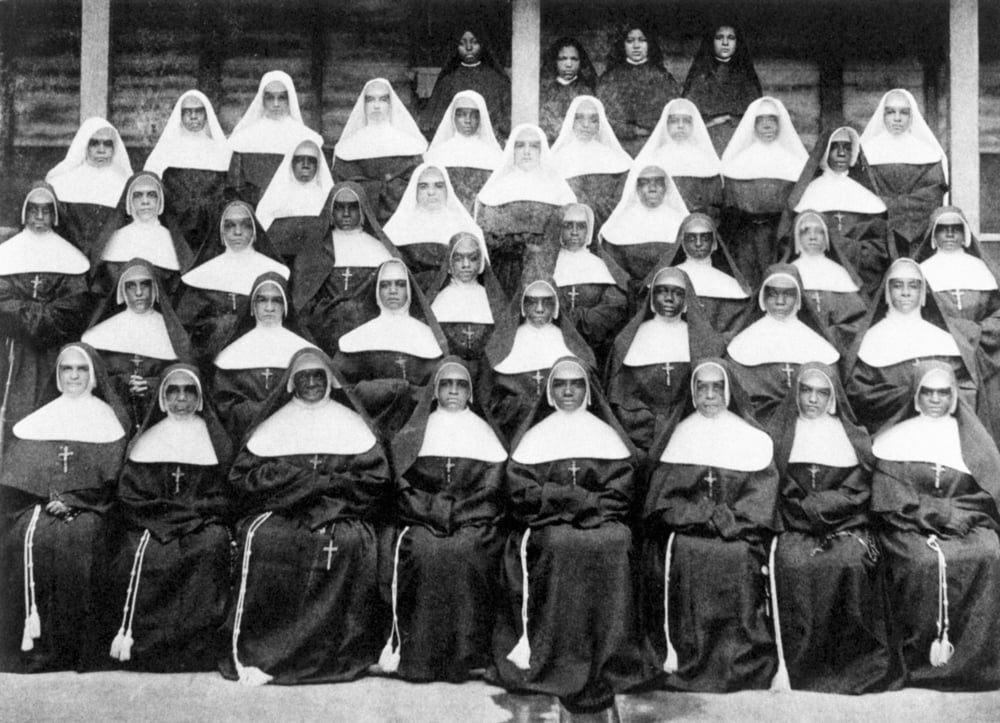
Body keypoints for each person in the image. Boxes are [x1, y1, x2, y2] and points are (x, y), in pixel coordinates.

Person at [491, 356, 655, 712]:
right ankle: (559, 658)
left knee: (618, 540)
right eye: (561, 384)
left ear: (587, 390)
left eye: (576, 384)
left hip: (596, 523)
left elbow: (622, 493)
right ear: (550, 391)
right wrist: (579, 504)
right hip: (551, 528)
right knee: (558, 543)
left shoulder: (607, 436)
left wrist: (569, 505)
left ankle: (611, 658)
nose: (568, 391)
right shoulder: (533, 438)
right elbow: (522, 494)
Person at [221, 347, 391, 685]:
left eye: (318, 376)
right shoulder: (272, 425)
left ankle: (335, 652)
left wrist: (317, 491)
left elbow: (375, 481)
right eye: (304, 377)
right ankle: (269, 649)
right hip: (282, 513)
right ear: (291, 383)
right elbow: (245, 479)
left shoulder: (353, 424)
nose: (311, 383)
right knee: (266, 540)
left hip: (340, 514)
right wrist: (310, 486)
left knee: (349, 542)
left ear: (329, 381)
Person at [642, 359, 781, 692]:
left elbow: (759, 499)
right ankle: (688, 656)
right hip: (687, 535)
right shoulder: (678, 436)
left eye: (716, 387)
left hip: (737, 534)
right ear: (692, 393)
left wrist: (728, 522)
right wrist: (703, 516)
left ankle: (737, 661)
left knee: (736, 557)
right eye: (701, 388)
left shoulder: (750, 438)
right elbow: (663, 503)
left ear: (728, 391)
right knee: (688, 555)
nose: (709, 395)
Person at [766, 363, 900, 693]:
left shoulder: (850, 436)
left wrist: (825, 506)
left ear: (833, 397)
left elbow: (860, 487)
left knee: (852, 561)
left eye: (821, 392)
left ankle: (852, 663)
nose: (813, 399)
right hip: (794, 522)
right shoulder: (779, 435)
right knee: (792, 563)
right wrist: (804, 509)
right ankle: (803, 664)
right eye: (806, 391)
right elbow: (773, 484)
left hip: (846, 522)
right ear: (796, 394)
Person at [871, 361, 1000, 689]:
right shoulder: (895, 438)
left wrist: (959, 516)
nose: (935, 399)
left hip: (963, 522)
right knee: (921, 562)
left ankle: (974, 662)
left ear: (954, 397)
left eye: (943, 393)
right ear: (916, 395)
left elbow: (984, 494)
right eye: (927, 391)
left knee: (989, 553)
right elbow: (889, 498)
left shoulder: (971, 441)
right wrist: (933, 515)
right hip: (910, 524)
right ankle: (919, 662)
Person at [0, 343, 128, 672]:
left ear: (94, 375)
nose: (74, 375)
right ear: (57, 376)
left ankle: (76, 649)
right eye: (67, 369)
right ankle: (33, 647)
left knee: (82, 540)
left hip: (94, 511)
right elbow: (16, 486)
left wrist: (75, 502)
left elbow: (117, 484)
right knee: (24, 540)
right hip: (41, 507)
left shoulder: (111, 419)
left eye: (81, 369)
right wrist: (46, 501)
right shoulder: (38, 420)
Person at [382, 358, 507, 681]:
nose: (453, 391)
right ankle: (421, 656)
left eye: (461, 385)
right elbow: (403, 487)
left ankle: (465, 655)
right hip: (422, 518)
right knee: (423, 551)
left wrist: (457, 515)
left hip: (472, 521)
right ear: (435, 391)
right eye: (446, 384)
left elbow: (492, 489)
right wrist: (435, 513)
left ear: (471, 393)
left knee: (467, 551)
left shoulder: (485, 434)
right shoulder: (414, 433)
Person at [107, 364, 232, 671]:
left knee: (212, 544)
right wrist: (171, 518)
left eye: (188, 391)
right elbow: (130, 495)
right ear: (162, 397)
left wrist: (193, 516)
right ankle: (148, 649)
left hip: (200, 523)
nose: (181, 399)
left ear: (200, 396)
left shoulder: (215, 441)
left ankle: (195, 650)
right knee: (137, 551)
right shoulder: (147, 439)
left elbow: (226, 496)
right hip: (153, 522)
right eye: (172, 391)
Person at [0, 183, 92, 446]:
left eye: (46, 211)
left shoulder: (71, 257)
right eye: (33, 211)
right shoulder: (6, 254)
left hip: (55, 351)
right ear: (23, 214)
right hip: (12, 351)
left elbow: (74, 304)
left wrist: (31, 315)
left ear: (55, 215)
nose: (39, 218)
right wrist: (41, 315)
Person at [607, 267, 726, 456]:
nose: (670, 299)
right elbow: (622, 397)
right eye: (663, 291)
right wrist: (651, 427)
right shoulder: (628, 341)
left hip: (690, 430)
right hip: (640, 433)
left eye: (678, 293)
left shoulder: (706, 342)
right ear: (651, 300)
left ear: (687, 302)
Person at [848, 258, 973, 435]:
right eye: (898, 286)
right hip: (890, 430)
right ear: (887, 291)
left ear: (922, 292)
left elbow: (967, 386)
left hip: (943, 428)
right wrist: (915, 396)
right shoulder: (871, 340)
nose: (905, 293)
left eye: (913, 286)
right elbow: (861, 395)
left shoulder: (944, 340)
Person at [333, 259, 447, 440]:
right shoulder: (358, 338)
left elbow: (438, 388)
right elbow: (342, 388)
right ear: (377, 291)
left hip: (415, 425)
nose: (393, 291)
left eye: (400, 285)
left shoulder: (429, 338)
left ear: (409, 290)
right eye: (385, 285)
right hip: (368, 422)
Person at [914, 207, 1000, 445]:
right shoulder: (922, 273)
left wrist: (977, 331)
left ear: (965, 235)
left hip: (984, 355)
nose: (950, 235)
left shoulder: (983, 270)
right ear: (933, 235)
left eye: (956, 229)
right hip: (942, 354)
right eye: (943, 230)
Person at [82, 259, 192, 435]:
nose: (139, 293)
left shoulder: (172, 334)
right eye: (131, 286)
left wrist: (152, 385)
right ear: (122, 291)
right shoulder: (102, 334)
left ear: (155, 289)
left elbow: (183, 380)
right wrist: (122, 384)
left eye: (145, 285)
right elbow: (95, 383)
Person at [480, 278, 594, 445]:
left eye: (546, 303)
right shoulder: (501, 348)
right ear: (522, 306)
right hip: (514, 430)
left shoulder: (572, 345)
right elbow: (488, 399)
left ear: (555, 306)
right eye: (532, 302)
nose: (539, 309)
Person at [177, 200, 289, 365]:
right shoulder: (202, 275)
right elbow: (188, 325)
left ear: (255, 229)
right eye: (230, 225)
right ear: (221, 230)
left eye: (245, 225)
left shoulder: (275, 271)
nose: (238, 232)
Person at [292, 182, 397, 357]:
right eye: (340, 207)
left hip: (367, 327)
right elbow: (304, 301)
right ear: (331, 211)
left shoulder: (380, 250)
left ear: (363, 209)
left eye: (353, 208)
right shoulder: (316, 250)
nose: (346, 214)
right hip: (324, 328)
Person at [785, 126, 890, 300]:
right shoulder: (807, 194)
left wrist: (850, 250)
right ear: (825, 151)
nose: (842, 154)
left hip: (859, 272)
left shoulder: (867, 197)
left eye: (847, 148)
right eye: (835, 147)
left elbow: (879, 246)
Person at [726, 264, 839, 424]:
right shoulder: (740, 347)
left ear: (799, 298)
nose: (780, 301)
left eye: (788, 294)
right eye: (773, 294)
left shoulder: (820, 347)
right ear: (763, 297)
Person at [475, 124, 576, 298]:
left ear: (542, 150)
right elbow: (485, 236)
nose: (527, 151)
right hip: (506, 271)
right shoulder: (496, 187)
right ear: (511, 150)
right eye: (520, 145)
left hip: (548, 268)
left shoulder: (558, 188)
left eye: (534, 146)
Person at [213, 272, 314, 440]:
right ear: (253, 306)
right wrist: (257, 412)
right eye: (262, 300)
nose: (269, 307)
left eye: (276, 300)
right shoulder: (231, 355)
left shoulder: (305, 351)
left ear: (285, 306)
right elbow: (224, 405)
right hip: (246, 434)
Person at [720, 97, 808, 290]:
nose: (767, 125)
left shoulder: (794, 161)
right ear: (752, 124)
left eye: (773, 120)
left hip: (781, 236)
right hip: (745, 237)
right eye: (761, 120)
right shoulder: (739, 161)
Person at [861, 89, 948, 257]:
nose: (897, 118)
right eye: (890, 112)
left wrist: (888, 208)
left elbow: (932, 195)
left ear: (912, 116)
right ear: (882, 115)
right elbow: (860, 193)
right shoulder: (866, 153)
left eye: (904, 112)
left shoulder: (928, 154)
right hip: (875, 237)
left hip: (916, 239)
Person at [143, 90, 232, 253]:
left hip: (211, 231)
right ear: (180, 115)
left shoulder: (220, 150)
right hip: (173, 228)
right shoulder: (165, 150)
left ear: (206, 115)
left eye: (198, 111)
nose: (193, 117)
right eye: (187, 112)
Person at [332, 78, 427, 224]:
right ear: (364, 104)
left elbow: (417, 187)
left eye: (382, 99)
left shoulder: (409, 145)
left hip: (400, 221)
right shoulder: (348, 147)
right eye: (370, 100)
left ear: (390, 104)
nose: (376, 106)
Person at [227, 70, 323, 207]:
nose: (276, 104)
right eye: (270, 97)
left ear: (289, 99)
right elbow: (236, 187)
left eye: (282, 97)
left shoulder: (306, 138)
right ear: (262, 99)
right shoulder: (244, 138)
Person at [550, 203, 629, 369]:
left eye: (580, 226)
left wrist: (583, 321)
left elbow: (614, 305)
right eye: (568, 226)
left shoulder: (600, 265)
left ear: (589, 230)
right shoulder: (548, 265)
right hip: (554, 340)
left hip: (593, 343)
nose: (574, 232)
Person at [92, 171, 194, 299]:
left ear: (160, 200)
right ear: (129, 201)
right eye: (138, 195)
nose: (145, 201)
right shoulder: (115, 239)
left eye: (151, 195)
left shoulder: (173, 243)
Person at [383, 162, 483, 291]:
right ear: (415, 189)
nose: (431, 192)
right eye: (423, 186)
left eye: (439, 186)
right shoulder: (397, 228)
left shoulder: (463, 225)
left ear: (447, 189)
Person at [45, 117, 133, 261]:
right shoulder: (61, 183)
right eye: (94, 143)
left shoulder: (125, 185)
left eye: (107, 144)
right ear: (85, 145)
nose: (101, 150)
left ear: (114, 147)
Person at [426, 231, 509, 378]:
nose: (466, 265)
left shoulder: (493, 300)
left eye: (472, 258)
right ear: (449, 263)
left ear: (481, 262)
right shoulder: (438, 300)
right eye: (459, 259)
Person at [597, 21, 681, 158]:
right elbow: (602, 118)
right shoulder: (609, 78)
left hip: (655, 146)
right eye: (630, 41)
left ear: (650, 44)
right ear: (622, 45)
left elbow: (673, 115)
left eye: (642, 40)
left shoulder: (663, 77)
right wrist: (631, 131)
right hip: (619, 147)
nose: (636, 46)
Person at [599, 163, 689, 291]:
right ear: (636, 187)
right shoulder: (620, 223)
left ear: (666, 186)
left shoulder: (681, 221)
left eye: (658, 182)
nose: (652, 188)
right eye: (645, 183)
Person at [548, 95, 631, 229]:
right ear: (571, 121)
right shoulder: (557, 159)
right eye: (580, 118)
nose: (586, 125)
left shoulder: (614, 158)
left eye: (593, 120)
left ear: (600, 124)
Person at [789, 210, 868, 352]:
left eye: (819, 232)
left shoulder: (840, 274)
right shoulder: (787, 275)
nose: (812, 237)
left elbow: (857, 320)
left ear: (827, 238)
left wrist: (833, 334)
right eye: (805, 231)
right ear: (796, 237)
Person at [634, 98, 724, 222]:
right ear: (665, 124)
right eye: (674, 121)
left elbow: (715, 202)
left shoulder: (704, 158)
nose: (680, 126)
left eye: (686, 121)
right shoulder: (653, 157)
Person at [682, 20, 763, 155]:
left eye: (730, 38)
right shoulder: (699, 78)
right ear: (711, 42)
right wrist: (715, 121)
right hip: (705, 146)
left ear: (737, 43)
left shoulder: (746, 79)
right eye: (719, 38)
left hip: (739, 147)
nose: (725, 43)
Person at [419, 28, 511, 142]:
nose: (468, 48)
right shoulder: (448, 82)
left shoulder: (496, 81)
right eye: (462, 44)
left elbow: (505, 124)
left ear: (483, 45)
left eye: (474, 42)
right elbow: (435, 125)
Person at [254, 137, 334, 266]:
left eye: (311, 161)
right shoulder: (275, 196)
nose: (305, 165)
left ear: (318, 165)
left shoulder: (325, 196)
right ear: (291, 163)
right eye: (299, 160)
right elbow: (261, 233)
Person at [423, 90, 503, 214]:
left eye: (474, 115)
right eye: (462, 114)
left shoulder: (495, 157)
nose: (467, 120)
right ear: (453, 116)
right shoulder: (436, 155)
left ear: (481, 117)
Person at [538, 37, 598, 145]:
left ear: (581, 62)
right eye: (563, 59)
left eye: (574, 59)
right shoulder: (543, 91)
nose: (569, 64)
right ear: (555, 61)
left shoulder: (588, 92)